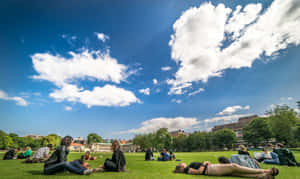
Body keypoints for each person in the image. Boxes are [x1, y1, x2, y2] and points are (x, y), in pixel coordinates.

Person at [174, 161, 279, 178]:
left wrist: (205, 163)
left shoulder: (188, 166)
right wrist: (204, 163)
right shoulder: (187, 169)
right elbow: (199, 172)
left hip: (212, 169)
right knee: (234, 166)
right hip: (211, 170)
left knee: (237, 173)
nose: (182, 162)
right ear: (181, 166)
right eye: (180, 163)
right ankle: (266, 171)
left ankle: (262, 176)